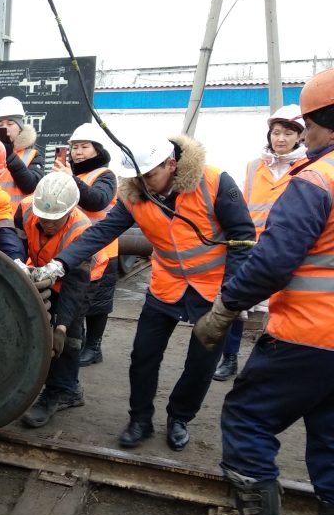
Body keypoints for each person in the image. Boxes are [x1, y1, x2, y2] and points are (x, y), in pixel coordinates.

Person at [192, 70, 334, 515]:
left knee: (248, 416)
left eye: (308, 126)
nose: (304, 136)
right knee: (330, 433)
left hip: (309, 335)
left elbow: (274, 262)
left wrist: (226, 307)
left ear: (319, 123)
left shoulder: (317, 179)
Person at [30, 134, 254, 451]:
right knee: (143, 357)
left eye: (149, 175)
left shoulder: (215, 182)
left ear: (172, 165)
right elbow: (102, 231)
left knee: (200, 363)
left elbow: (243, 238)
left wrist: (233, 296)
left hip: (212, 290)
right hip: (166, 285)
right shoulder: (135, 193)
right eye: (138, 177)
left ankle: (179, 418)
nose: (144, 184)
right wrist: (60, 264)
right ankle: (140, 420)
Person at [212, 104, 306, 382]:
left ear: (299, 137)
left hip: (288, 248)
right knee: (239, 304)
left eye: (288, 133)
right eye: (276, 132)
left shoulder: (308, 167)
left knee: (283, 306)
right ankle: (229, 359)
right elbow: (243, 205)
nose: (280, 138)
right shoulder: (254, 167)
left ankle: (276, 363)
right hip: (252, 247)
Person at [15, 172, 105, 427]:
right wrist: (18, 262)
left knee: (68, 333)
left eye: (54, 219)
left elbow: (75, 286)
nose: (47, 224)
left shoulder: (80, 229)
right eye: (43, 218)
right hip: (47, 272)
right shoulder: (25, 209)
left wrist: (62, 327)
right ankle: (70, 387)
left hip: (84, 278)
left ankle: (58, 392)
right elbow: (18, 243)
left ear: (71, 210)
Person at [55, 123, 120, 367]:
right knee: (78, 300)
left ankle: (94, 346)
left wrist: (70, 179)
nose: (78, 152)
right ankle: (81, 342)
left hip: (104, 251)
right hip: (77, 247)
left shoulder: (105, 175)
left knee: (99, 304)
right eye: (74, 147)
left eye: (84, 147)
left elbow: (97, 202)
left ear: (97, 150)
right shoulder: (75, 174)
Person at [0, 95, 44, 210]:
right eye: (0, 124)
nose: (5, 128)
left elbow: (31, 186)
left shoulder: (33, 155)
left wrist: (10, 156)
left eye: (10, 123)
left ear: (20, 127)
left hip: (19, 221)